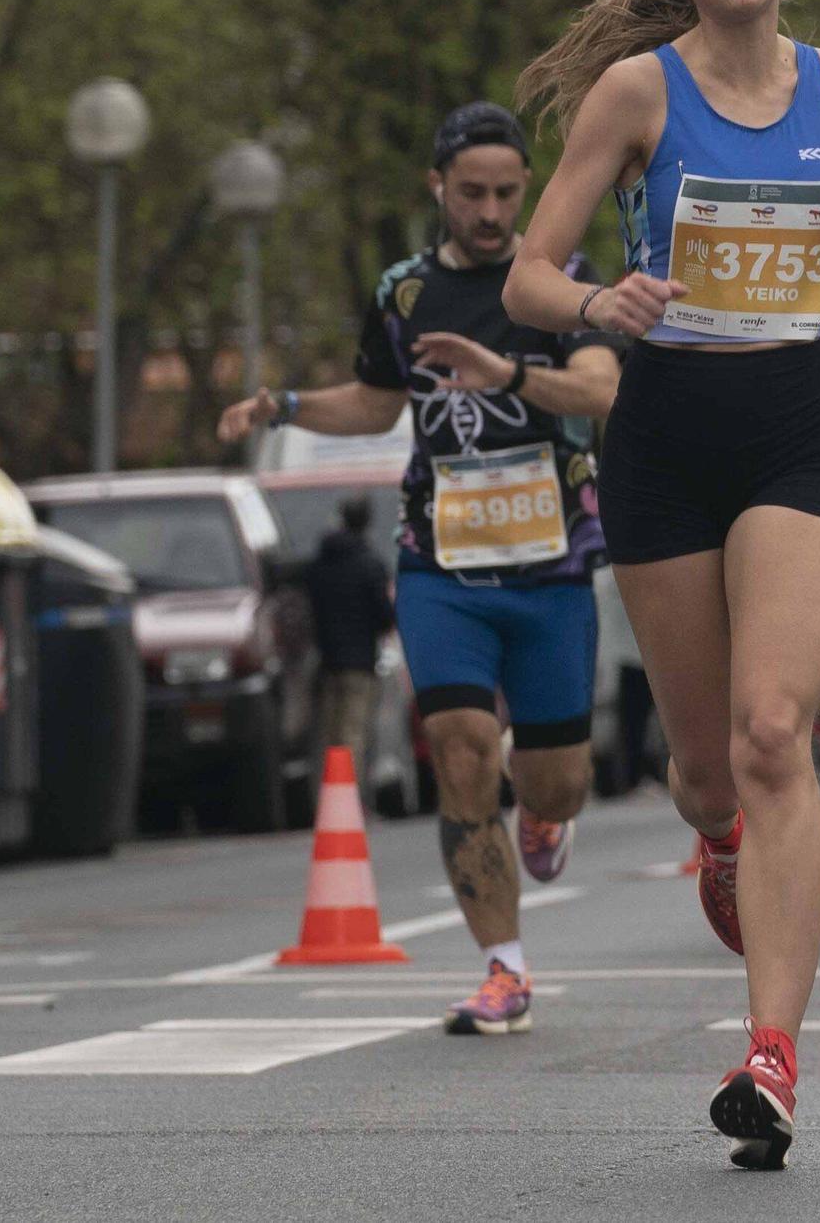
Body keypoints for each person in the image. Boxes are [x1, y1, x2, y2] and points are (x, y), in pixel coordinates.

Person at [501, 0, 820, 1170]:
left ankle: (772, 1055)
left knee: (777, 725)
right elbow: (527, 276)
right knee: (701, 771)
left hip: (794, 429)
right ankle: (724, 839)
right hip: (666, 434)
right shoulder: (637, 93)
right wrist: (593, 303)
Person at [217, 101, 621, 1037]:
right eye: (472, 193)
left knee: (556, 779)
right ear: (437, 188)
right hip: (440, 561)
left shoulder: (560, 278)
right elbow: (374, 401)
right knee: (462, 750)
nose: (489, 212)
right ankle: (504, 969)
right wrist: (279, 406)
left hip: (552, 563)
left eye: (507, 194)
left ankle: (547, 813)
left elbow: (602, 389)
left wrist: (506, 373)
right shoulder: (404, 293)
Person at [303, 494, 395, 775]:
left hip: (326, 663)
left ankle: (326, 799)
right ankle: (348, 800)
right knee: (353, 734)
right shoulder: (370, 565)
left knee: (328, 737)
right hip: (361, 664)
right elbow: (385, 618)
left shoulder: (319, 564)